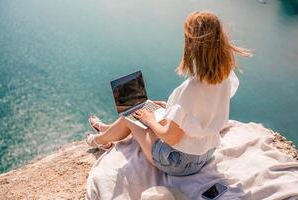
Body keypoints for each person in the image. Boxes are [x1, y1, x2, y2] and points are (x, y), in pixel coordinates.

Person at [86, 11, 252, 176]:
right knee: (143, 111)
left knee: (131, 115)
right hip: (206, 152)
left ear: (193, 43)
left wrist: (150, 120)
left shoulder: (192, 89)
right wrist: (169, 107)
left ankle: (98, 140)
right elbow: (204, 108)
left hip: (178, 162)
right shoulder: (225, 75)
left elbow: (172, 138)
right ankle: (106, 130)